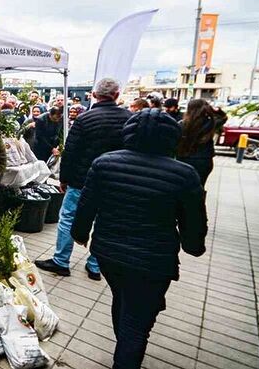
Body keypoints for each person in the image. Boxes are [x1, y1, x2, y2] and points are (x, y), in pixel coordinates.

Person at [70, 109, 207, 369]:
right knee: (136, 321)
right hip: (152, 260)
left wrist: (79, 234)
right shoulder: (184, 174)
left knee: (123, 301)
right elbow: (194, 222)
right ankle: (126, 357)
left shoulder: (105, 163)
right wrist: (194, 246)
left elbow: (87, 205)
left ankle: (125, 345)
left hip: (109, 253)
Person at [36, 78, 131, 281]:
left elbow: (70, 152)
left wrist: (64, 179)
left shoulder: (84, 119)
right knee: (104, 222)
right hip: (115, 183)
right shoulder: (129, 119)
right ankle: (95, 266)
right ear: (116, 95)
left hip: (82, 181)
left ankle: (61, 261)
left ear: (94, 95)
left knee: (68, 218)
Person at [177, 99, 227, 186]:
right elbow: (223, 117)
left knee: (183, 186)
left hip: (184, 158)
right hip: (204, 159)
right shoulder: (211, 123)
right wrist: (217, 111)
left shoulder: (182, 124)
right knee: (200, 185)